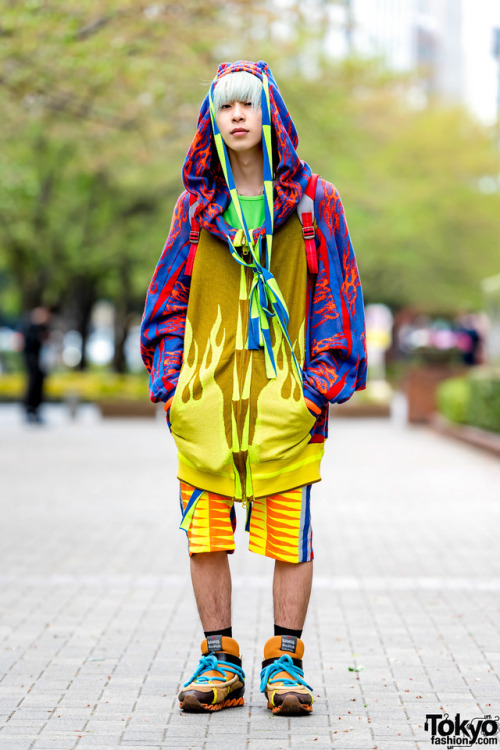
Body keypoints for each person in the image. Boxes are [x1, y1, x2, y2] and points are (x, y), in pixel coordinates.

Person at [141, 60, 367, 715]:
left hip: (286, 398)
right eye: (225, 107)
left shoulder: (314, 201)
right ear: (210, 122)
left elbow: (339, 295)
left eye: (249, 105)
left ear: (271, 115)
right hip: (205, 399)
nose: (238, 115)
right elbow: (166, 300)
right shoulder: (197, 206)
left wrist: (315, 389)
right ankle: (219, 660)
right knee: (205, 534)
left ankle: (285, 664)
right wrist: (174, 386)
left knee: (289, 534)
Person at [22, 306, 51, 424]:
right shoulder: (31, 328)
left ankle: (37, 409)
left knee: (39, 386)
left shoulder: (43, 328)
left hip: (41, 362)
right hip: (33, 362)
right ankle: (29, 409)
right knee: (32, 386)